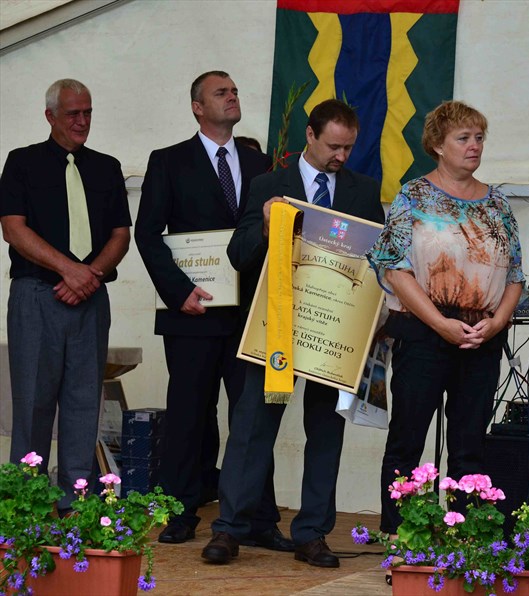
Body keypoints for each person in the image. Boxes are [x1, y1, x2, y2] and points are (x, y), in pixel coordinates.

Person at [201, 99, 384, 566]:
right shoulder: (268, 186)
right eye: (333, 146)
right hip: (275, 330)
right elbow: (238, 256)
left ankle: (312, 534)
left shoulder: (364, 191)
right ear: (310, 135)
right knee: (251, 430)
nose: (341, 156)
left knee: (325, 433)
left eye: (348, 148)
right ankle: (229, 529)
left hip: (333, 336)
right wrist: (266, 227)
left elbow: (376, 265)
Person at [135, 71, 288, 551]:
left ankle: (257, 517)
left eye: (235, 91)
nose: (232, 96)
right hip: (192, 312)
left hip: (248, 315)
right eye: (221, 92)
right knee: (188, 415)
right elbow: (147, 233)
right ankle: (180, 513)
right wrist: (177, 290)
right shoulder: (168, 160)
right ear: (198, 107)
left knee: (253, 417)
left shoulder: (260, 163)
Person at [368, 101, 524, 545]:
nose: (474, 146)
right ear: (438, 145)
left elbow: (515, 275)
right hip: (423, 332)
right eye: (463, 138)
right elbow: (395, 269)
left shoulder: (498, 202)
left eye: (479, 138)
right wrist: (439, 323)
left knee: (470, 444)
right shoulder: (413, 197)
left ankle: (466, 538)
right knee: (408, 440)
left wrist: (497, 323)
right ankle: (401, 536)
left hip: (481, 336)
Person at [0, 79, 131, 510]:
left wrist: (90, 275)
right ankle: (28, 507)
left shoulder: (107, 167)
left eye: (88, 112)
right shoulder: (22, 162)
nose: (82, 121)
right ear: (50, 116)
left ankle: (77, 507)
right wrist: (68, 270)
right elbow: (13, 229)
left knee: (83, 405)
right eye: (73, 113)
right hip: (38, 296)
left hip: (90, 299)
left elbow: (121, 234)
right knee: (33, 406)